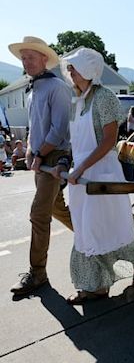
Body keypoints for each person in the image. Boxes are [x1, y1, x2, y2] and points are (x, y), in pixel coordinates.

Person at [51, 48, 134, 304]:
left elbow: (109, 141)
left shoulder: (104, 98)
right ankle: (96, 287)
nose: (69, 72)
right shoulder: (78, 101)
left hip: (103, 173)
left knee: (111, 225)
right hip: (82, 175)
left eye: (73, 68)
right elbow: (74, 141)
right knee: (88, 230)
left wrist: (81, 168)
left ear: (88, 70)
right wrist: (65, 163)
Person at [8, 37, 74, 296]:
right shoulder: (35, 88)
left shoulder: (57, 87)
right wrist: (28, 149)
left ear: (44, 59)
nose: (26, 62)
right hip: (40, 156)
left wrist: (39, 154)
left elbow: (60, 130)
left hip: (55, 156)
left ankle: (38, 274)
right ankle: (94, 237)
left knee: (38, 214)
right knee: (57, 209)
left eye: (31, 57)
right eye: (23, 58)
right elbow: (35, 124)